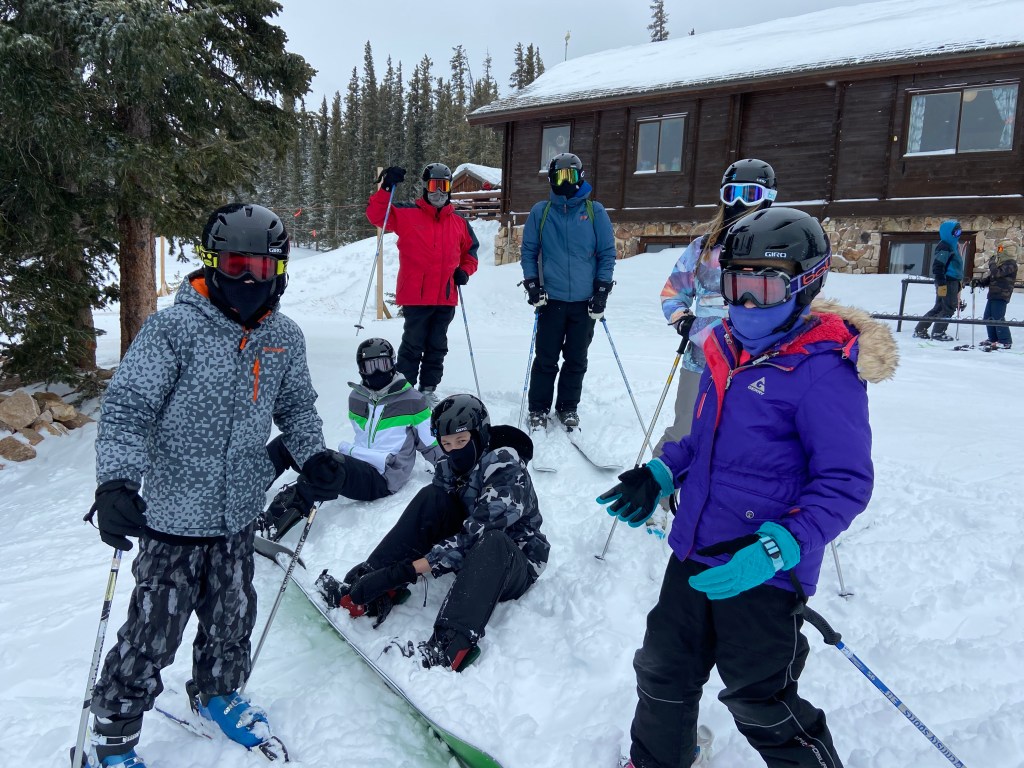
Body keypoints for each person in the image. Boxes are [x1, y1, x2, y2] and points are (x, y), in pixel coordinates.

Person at [598, 207, 897, 768]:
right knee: (663, 671)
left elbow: (845, 482)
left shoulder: (824, 370)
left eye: (767, 286)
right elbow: (702, 441)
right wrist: (663, 471)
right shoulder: (723, 348)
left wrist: (779, 548)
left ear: (806, 284)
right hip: (694, 549)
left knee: (759, 698)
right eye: (737, 285)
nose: (749, 303)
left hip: (764, 569)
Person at [80, 203, 351, 768]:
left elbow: (297, 409)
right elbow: (128, 409)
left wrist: (314, 457)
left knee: (232, 618)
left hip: (238, 515)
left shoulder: (283, 337)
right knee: (153, 632)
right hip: (172, 519)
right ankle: (113, 732)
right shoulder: (174, 330)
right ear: (212, 263)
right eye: (235, 265)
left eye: (262, 267)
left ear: (280, 270)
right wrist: (117, 483)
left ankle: (218, 693)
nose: (249, 279)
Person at [315, 394, 550, 671]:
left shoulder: (505, 464)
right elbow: (437, 518)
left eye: (461, 441)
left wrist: (408, 570)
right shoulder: (449, 464)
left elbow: (476, 534)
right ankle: (368, 587)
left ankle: (449, 647)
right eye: (446, 444)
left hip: (513, 560)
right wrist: (388, 574)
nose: (454, 450)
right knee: (432, 498)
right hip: (471, 547)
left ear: (479, 434)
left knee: (492, 540)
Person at [259, 337, 443, 541]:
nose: (377, 372)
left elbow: (431, 444)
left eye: (383, 364)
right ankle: (245, 492)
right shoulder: (357, 397)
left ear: (392, 364)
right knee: (288, 444)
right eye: (369, 367)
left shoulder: (413, 401)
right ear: (361, 370)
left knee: (326, 472)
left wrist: (452, 469)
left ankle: (268, 526)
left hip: (383, 476)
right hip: (356, 463)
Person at [655, 158, 778, 457]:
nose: (739, 203)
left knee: (740, 437)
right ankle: (655, 480)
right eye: (731, 193)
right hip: (701, 357)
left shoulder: (776, 252)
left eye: (750, 194)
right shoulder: (703, 248)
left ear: (767, 199)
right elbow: (673, 292)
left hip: (754, 362)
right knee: (685, 430)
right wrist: (682, 320)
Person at [366, 163, 480, 407]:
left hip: (445, 296)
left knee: (437, 346)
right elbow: (377, 215)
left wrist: (464, 271)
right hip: (416, 295)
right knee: (413, 344)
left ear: (449, 188)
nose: (438, 192)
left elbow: (470, 253)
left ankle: (428, 389)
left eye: (443, 186)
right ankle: (404, 390)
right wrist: (386, 188)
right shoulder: (408, 213)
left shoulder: (459, 222)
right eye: (433, 186)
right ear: (425, 187)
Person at [520, 152, 617, 431]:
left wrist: (601, 290)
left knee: (576, 359)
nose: (564, 182)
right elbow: (529, 251)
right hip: (551, 300)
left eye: (570, 176)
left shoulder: (594, 211)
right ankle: (538, 409)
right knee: (546, 359)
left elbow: (607, 253)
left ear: (580, 177)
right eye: (559, 176)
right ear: (551, 179)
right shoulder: (541, 212)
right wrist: (532, 284)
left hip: (584, 303)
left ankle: (567, 407)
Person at [914, 220, 964, 341]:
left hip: (953, 281)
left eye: (959, 232)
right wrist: (941, 283)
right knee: (948, 308)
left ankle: (920, 329)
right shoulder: (945, 246)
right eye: (956, 232)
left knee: (940, 307)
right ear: (948, 233)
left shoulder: (953, 245)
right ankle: (938, 332)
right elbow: (938, 266)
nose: (958, 235)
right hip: (947, 281)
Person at [974, 244, 1018, 350]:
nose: (999, 251)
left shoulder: (1011, 264)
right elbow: (992, 277)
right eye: (998, 249)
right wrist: (979, 282)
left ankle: (1005, 341)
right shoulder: (1000, 264)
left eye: (1001, 249)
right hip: (993, 294)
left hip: (1002, 294)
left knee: (998, 317)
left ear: (1007, 251)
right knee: (988, 317)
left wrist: (992, 263)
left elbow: (997, 273)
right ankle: (993, 338)